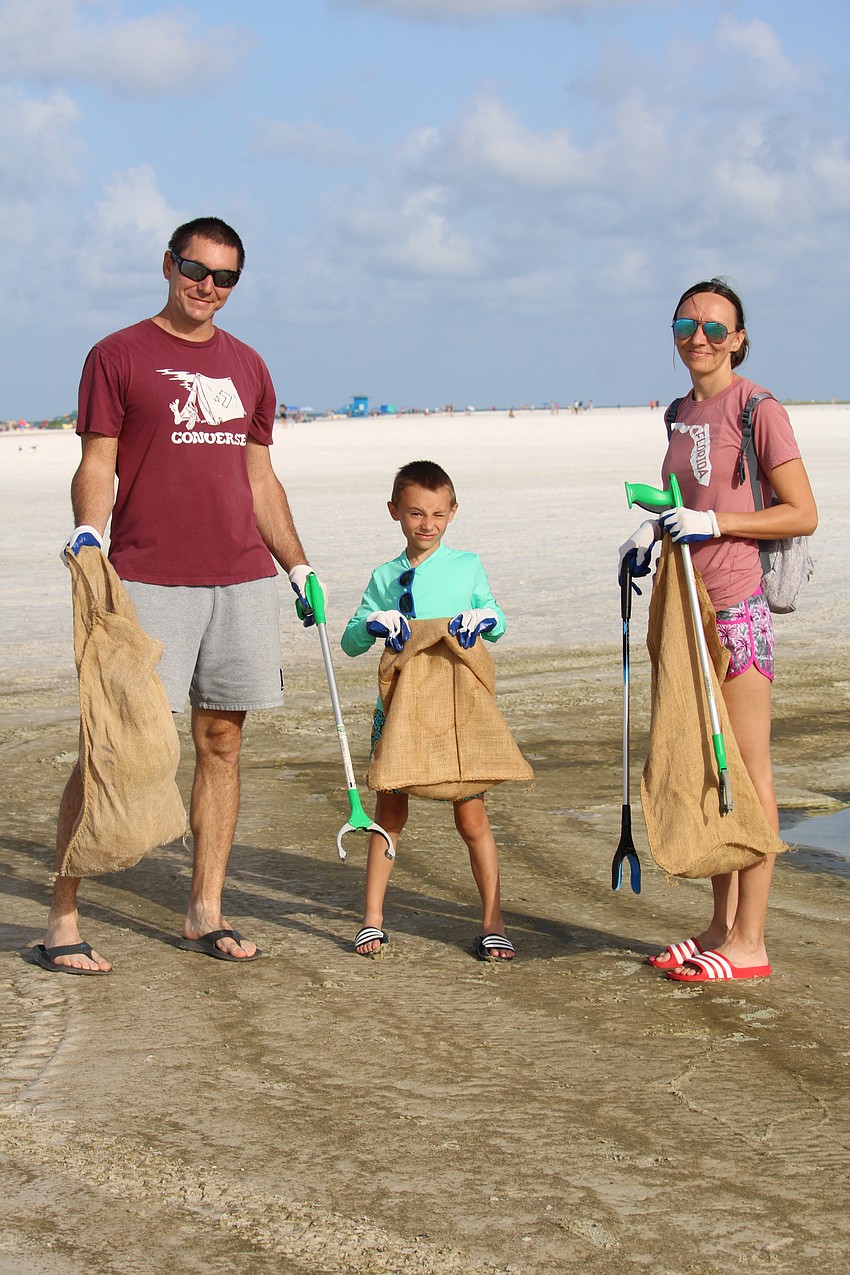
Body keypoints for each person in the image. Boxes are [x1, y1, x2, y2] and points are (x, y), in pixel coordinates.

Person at [34, 215, 323, 974]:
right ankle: (62, 917)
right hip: (148, 576)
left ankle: (205, 910)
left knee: (222, 743)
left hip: (239, 578)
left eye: (225, 277)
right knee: (117, 743)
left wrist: (296, 565)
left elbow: (259, 478)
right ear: (168, 264)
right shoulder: (117, 354)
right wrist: (88, 530)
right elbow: (99, 460)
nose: (208, 287)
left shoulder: (250, 366)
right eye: (197, 270)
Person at [619, 277, 817, 982]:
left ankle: (752, 941)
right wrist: (655, 530)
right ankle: (718, 925)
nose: (696, 337)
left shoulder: (757, 407)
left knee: (752, 773)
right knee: (711, 769)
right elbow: (684, 494)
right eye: (684, 324)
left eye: (711, 326)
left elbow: (802, 512)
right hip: (688, 612)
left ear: (737, 337)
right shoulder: (677, 411)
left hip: (737, 610)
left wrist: (717, 523)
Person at [340, 460, 514, 962]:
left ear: (453, 512)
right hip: (399, 710)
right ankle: (372, 919)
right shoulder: (384, 575)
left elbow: (497, 620)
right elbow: (351, 640)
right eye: (415, 513)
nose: (426, 524)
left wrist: (483, 618)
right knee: (389, 813)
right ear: (394, 511)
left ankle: (492, 920)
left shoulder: (467, 565)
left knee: (472, 816)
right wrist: (375, 621)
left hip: (459, 707)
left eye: (437, 514)